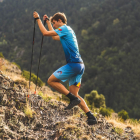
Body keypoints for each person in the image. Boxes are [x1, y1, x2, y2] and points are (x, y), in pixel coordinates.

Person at [33, 11, 97, 125]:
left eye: (54, 23)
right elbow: (54, 37)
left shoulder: (64, 29)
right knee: (75, 94)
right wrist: (47, 22)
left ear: (59, 21)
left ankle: (72, 99)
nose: (53, 26)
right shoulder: (68, 31)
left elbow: (45, 33)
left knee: (51, 81)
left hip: (74, 64)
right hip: (80, 66)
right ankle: (91, 116)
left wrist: (37, 19)